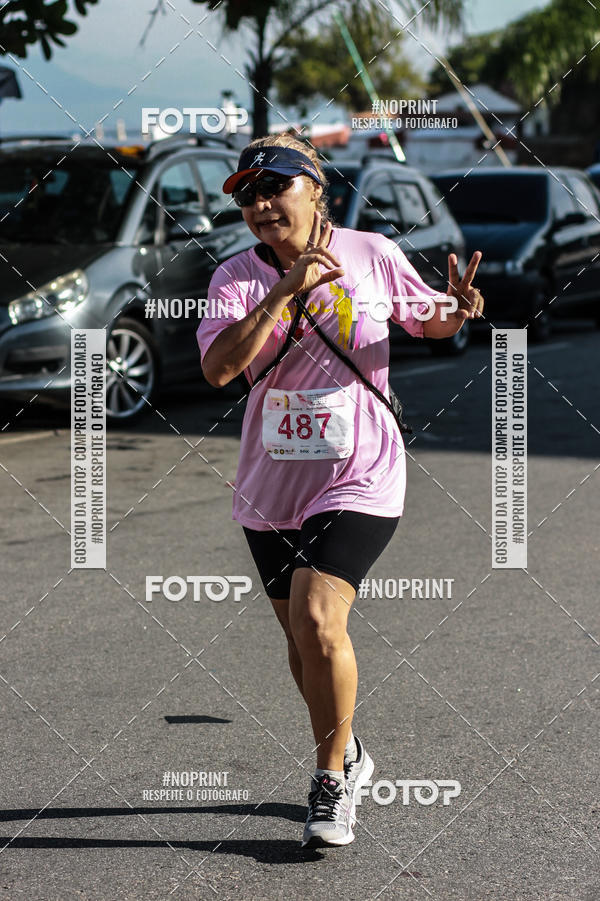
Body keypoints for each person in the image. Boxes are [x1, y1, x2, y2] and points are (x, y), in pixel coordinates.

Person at [196, 134, 484, 848]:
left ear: (316, 187)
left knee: (321, 616)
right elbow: (218, 369)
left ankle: (330, 781)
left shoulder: (372, 254)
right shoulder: (235, 275)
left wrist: (457, 308)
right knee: (301, 636)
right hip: (273, 479)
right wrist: (281, 295)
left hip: (362, 468)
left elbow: (429, 319)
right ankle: (349, 750)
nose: (261, 205)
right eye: (247, 195)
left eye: (276, 187)